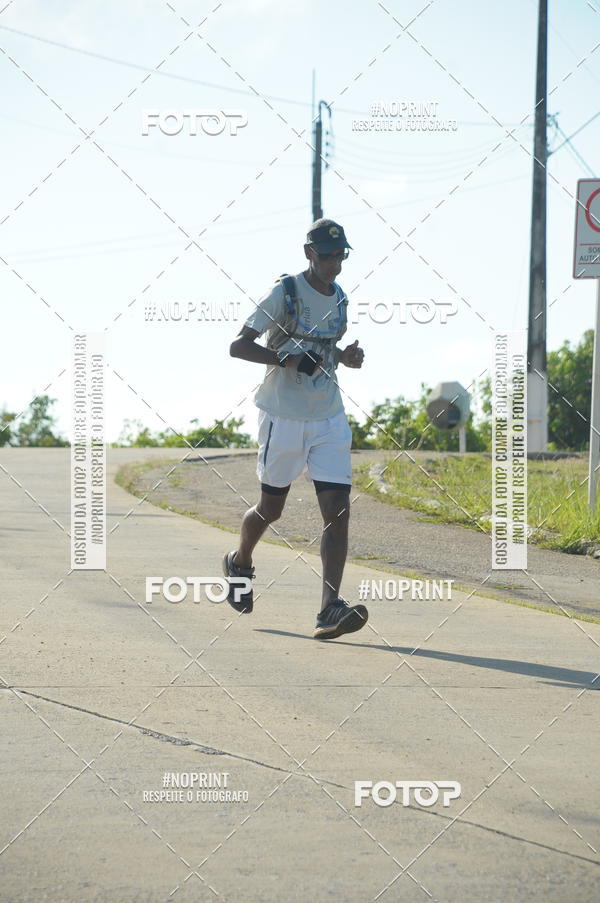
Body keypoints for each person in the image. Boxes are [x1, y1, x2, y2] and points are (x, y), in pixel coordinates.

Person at [224, 218, 368, 640]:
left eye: (340, 256)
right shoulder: (285, 293)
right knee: (272, 509)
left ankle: (328, 609)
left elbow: (326, 346)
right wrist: (288, 360)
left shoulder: (340, 297)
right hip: (283, 415)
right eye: (326, 255)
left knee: (337, 510)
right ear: (309, 253)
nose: (334, 264)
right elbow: (239, 345)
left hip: (328, 416)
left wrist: (346, 357)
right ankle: (240, 561)